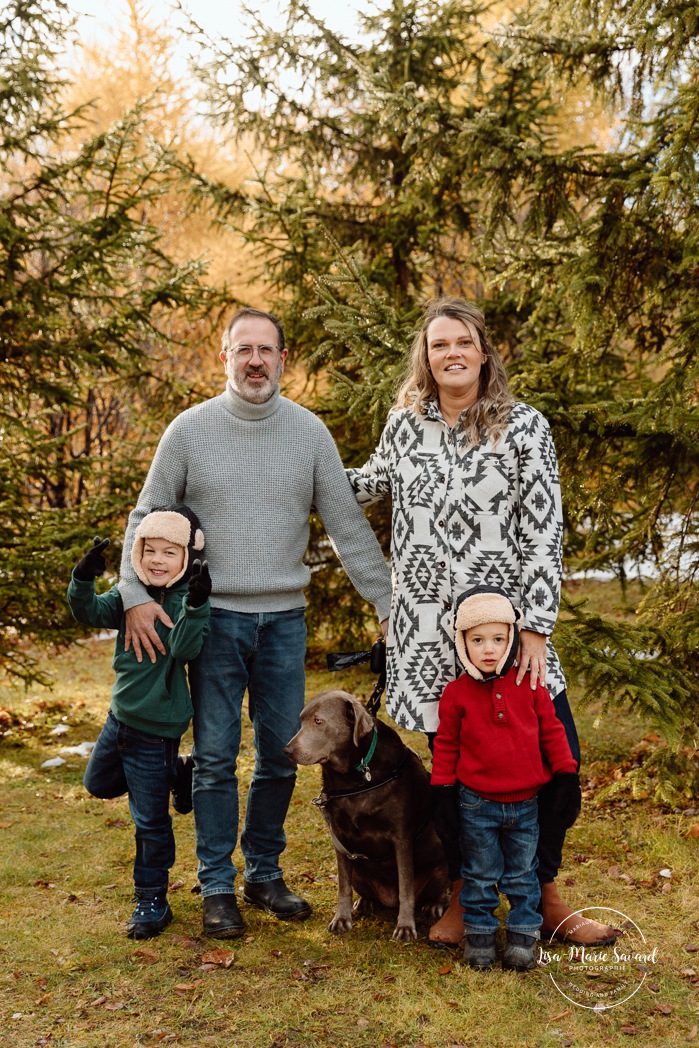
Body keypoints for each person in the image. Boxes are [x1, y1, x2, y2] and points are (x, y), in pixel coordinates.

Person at [347, 297, 617, 947]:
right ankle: (466, 899)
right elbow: (360, 487)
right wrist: (291, 464)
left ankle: (544, 895)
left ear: (484, 351)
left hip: (505, 631)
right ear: (426, 357)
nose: (451, 353)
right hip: (428, 631)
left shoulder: (523, 427)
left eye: (462, 342)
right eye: (439, 345)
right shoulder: (404, 427)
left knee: (558, 764)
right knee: (454, 777)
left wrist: (536, 625)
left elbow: (544, 532)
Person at [118, 307, 392, 940]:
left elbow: (347, 527)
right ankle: (216, 884)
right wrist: (135, 595)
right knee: (214, 757)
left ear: (283, 360)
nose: (255, 361)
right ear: (224, 357)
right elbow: (144, 519)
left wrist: (386, 603)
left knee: (280, 753)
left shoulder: (309, 434)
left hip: (284, 621)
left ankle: (263, 871)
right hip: (214, 622)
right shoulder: (188, 432)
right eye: (243, 350)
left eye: (266, 351)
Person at [67, 505, 212, 939]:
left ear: (186, 557)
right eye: (149, 549)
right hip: (119, 720)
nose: (156, 559)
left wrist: (199, 605)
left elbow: (186, 649)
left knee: (149, 821)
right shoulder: (131, 597)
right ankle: (176, 774)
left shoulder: (186, 600)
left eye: (169, 552)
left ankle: (152, 899)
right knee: (97, 784)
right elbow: (88, 612)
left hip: (156, 731)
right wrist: (83, 577)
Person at [431, 587, 580, 970]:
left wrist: (566, 776)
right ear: (463, 644)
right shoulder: (456, 694)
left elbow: (552, 733)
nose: (489, 649)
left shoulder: (530, 686)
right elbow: (446, 746)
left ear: (512, 640)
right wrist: (442, 791)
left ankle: (522, 936)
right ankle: (479, 935)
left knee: (522, 873)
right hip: (476, 803)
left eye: (498, 639)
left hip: (526, 805)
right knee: (478, 873)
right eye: (478, 640)